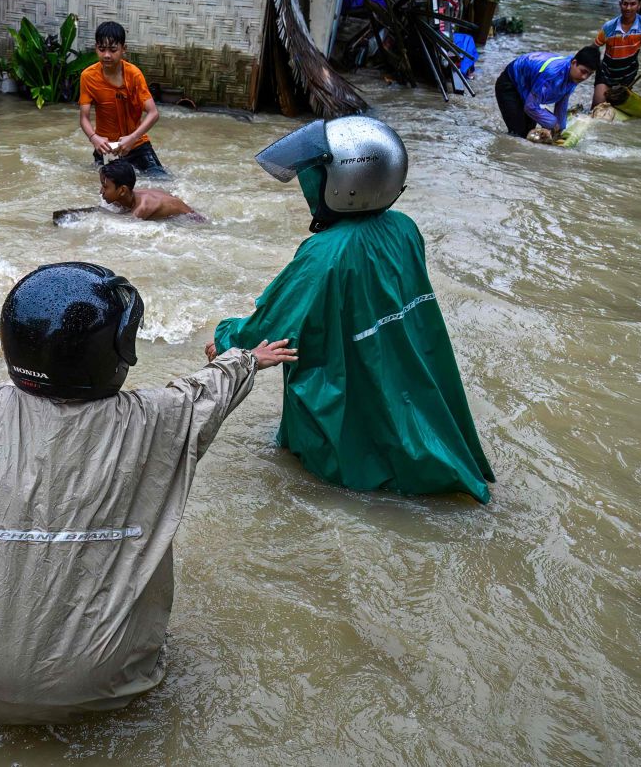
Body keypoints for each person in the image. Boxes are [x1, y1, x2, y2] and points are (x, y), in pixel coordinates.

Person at [0, 262, 296, 723]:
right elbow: (206, 393)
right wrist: (246, 359)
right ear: (116, 353)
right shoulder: (157, 417)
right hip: (110, 691)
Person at [209, 116, 494, 503]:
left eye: (315, 175)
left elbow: (270, 327)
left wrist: (224, 337)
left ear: (344, 183)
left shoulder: (324, 252)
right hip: (395, 376)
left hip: (344, 398)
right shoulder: (404, 228)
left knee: (335, 479)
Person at [78, 21, 168, 177]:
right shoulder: (88, 77)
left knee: (162, 181)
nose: (106, 55)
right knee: (111, 190)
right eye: (102, 49)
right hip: (108, 147)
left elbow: (153, 113)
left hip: (137, 143)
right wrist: (94, 138)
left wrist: (132, 138)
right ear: (96, 48)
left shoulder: (134, 75)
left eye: (113, 50)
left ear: (123, 49)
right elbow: (84, 118)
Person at [494, 46, 599, 139]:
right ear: (574, 63)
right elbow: (530, 107)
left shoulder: (574, 76)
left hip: (528, 89)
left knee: (528, 132)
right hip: (510, 84)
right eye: (583, 71)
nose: (584, 77)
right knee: (518, 134)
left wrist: (560, 129)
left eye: (589, 74)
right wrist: (552, 123)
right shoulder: (552, 74)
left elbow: (562, 102)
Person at [592, 0, 641, 107]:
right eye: (625, 4)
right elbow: (593, 48)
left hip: (628, 74)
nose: (628, 8)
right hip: (606, 72)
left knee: (619, 108)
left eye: (633, 4)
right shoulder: (609, 27)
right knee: (597, 107)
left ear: (639, 5)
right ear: (620, 4)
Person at [99, 159, 197, 220]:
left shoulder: (142, 208)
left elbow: (121, 224)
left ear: (122, 191)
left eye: (105, 186)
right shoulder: (123, 196)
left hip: (192, 220)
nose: (101, 191)